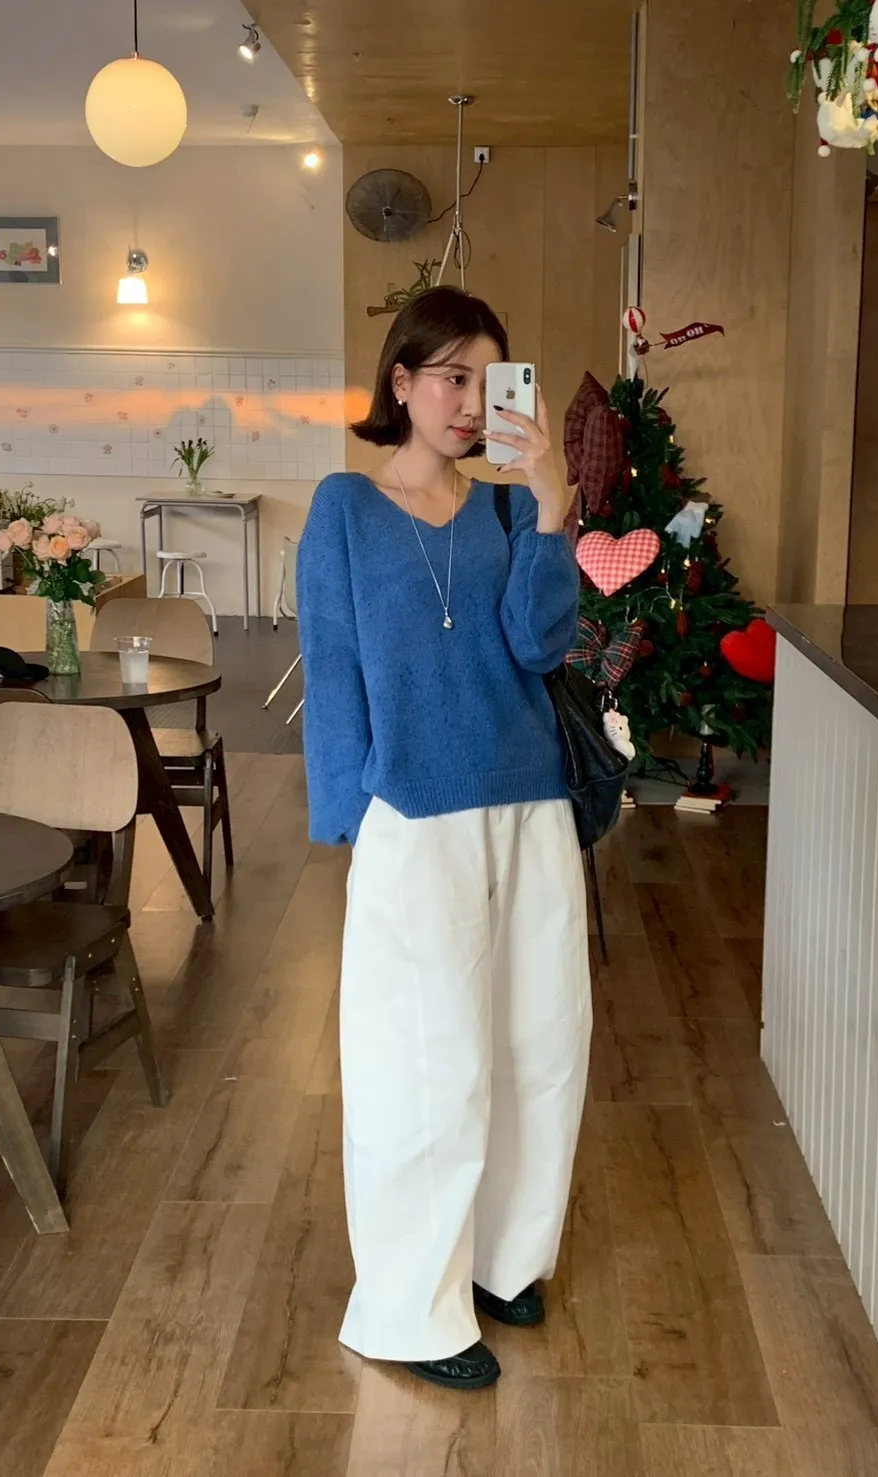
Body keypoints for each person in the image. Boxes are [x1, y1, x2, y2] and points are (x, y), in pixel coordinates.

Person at [297, 285, 591, 1392]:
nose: (470, 401)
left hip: (530, 808)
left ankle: (506, 1262)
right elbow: (332, 668)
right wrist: (349, 818)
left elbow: (540, 647)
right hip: (413, 819)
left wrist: (552, 508)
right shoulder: (344, 507)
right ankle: (412, 1310)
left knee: (540, 1045)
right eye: (452, 376)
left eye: (488, 378)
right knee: (424, 1064)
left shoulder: (509, 512)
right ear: (403, 382)